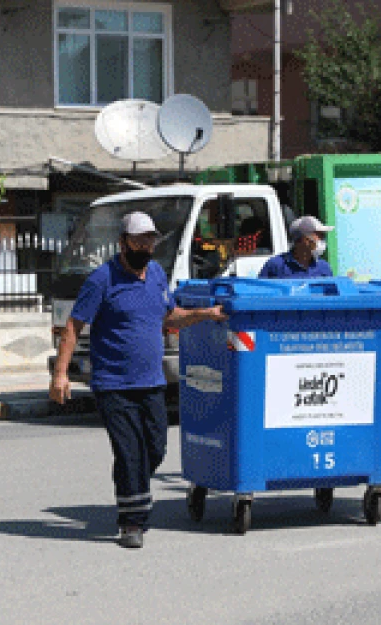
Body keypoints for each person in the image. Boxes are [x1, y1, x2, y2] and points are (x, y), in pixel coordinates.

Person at [50, 211, 227, 549]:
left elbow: (169, 315)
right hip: (113, 384)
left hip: (151, 382)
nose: (146, 245)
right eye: (139, 239)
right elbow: (73, 327)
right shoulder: (102, 280)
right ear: (123, 242)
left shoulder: (157, 274)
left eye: (150, 239)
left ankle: (129, 488)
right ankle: (132, 522)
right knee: (130, 453)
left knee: (154, 449)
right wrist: (61, 374)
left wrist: (205, 314)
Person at [258, 215, 334, 278]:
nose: (321, 241)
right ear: (303, 239)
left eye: (323, 236)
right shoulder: (275, 265)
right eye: (319, 236)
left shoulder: (324, 267)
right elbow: (260, 292)